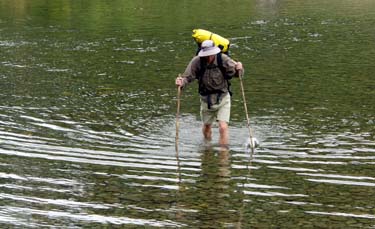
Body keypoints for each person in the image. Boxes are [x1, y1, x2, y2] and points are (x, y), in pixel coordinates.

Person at [175, 40, 244, 148]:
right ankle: (207, 148)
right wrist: (181, 82)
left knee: (223, 127)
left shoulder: (223, 59)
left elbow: (236, 74)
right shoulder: (196, 61)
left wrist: (239, 69)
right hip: (205, 99)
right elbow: (187, 77)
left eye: (210, 54)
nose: (208, 57)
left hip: (223, 97)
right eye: (206, 55)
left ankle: (223, 155)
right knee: (207, 126)